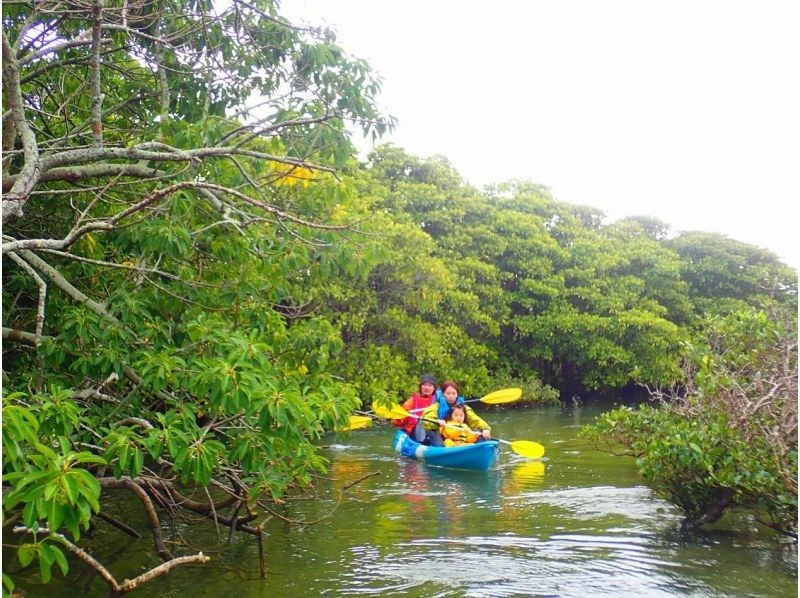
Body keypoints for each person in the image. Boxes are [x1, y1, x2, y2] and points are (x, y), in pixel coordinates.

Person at [420, 380, 492, 447]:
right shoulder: (436, 406)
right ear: (443, 394)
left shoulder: (463, 408)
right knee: (438, 442)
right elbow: (426, 419)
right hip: (442, 434)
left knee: (480, 434)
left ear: (457, 394)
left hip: (459, 437)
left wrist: (485, 429)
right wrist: (437, 422)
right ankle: (443, 451)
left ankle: (475, 450)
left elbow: (475, 420)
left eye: (454, 393)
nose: (451, 396)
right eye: (448, 393)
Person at [392, 374, 438, 442]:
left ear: (434, 388)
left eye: (430, 385)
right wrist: (397, 420)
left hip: (431, 431)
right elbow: (402, 415)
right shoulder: (412, 400)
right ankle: (422, 442)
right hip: (414, 432)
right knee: (421, 422)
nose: (427, 388)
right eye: (424, 385)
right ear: (420, 387)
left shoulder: (437, 400)